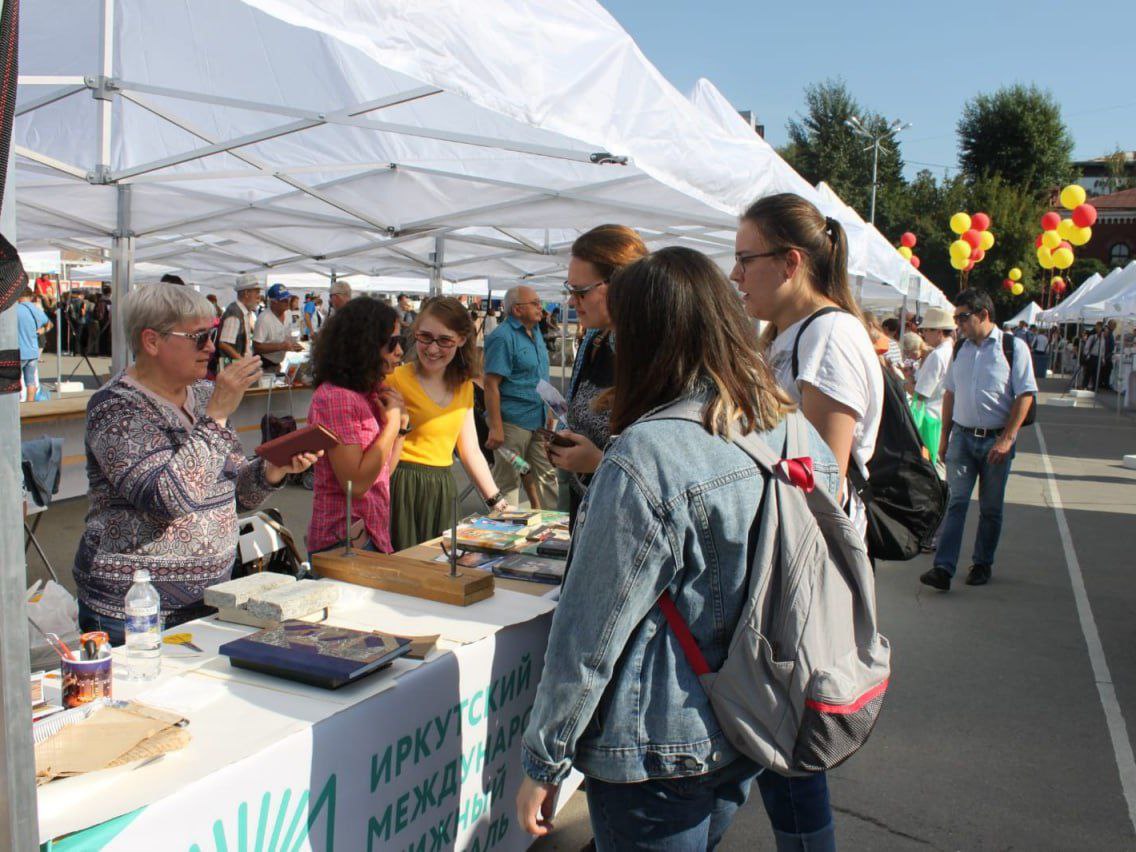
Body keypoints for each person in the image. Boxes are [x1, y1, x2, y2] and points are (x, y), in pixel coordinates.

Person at [517, 247, 841, 851]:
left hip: (660, 741)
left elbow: (589, 632)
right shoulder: (788, 426)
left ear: (643, 336)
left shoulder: (647, 455)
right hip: (748, 713)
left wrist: (544, 760)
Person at [74, 285, 318, 642]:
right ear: (152, 341)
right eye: (199, 336)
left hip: (211, 599)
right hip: (134, 612)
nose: (211, 346)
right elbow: (166, 500)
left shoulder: (204, 395)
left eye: (213, 333)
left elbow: (234, 497)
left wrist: (272, 470)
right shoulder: (115, 407)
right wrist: (216, 416)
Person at [919, 289, 1037, 592]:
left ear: (983, 314)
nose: (958, 324)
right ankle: (943, 568)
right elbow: (950, 394)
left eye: (963, 317)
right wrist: (944, 437)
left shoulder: (1013, 347)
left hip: (995, 440)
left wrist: (1008, 439)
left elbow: (1025, 394)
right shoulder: (961, 349)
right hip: (962, 436)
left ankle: (982, 562)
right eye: (956, 318)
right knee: (955, 502)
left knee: (991, 507)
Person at [545, 224, 648, 528]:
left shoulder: (654, 355)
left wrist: (600, 463)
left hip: (626, 525)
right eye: (569, 290)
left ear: (620, 284)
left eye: (579, 291)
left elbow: (668, 470)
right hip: (588, 511)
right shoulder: (594, 340)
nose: (571, 301)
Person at [386, 297, 508, 549]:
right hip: (401, 488)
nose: (432, 349)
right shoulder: (394, 380)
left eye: (444, 340)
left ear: (462, 339)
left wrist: (498, 503)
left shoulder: (463, 387)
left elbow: (470, 450)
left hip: (441, 488)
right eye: (425, 337)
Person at [306, 298, 407, 555]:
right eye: (393, 342)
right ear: (366, 345)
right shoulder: (338, 397)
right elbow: (356, 484)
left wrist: (401, 431)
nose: (400, 352)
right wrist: (392, 426)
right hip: (344, 542)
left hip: (371, 533)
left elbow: (381, 474)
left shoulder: (369, 392)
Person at [483, 285, 558, 508]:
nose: (541, 308)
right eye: (535, 303)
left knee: (547, 478)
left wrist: (550, 409)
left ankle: (553, 535)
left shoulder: (535, 332)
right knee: (509, 484)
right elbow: (490, 384)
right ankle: (507, 536)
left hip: (538, 420)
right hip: (511, 423)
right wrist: (496, 427)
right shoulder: (502, 337)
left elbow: (540, 376)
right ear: (517, 309)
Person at [912, 307, 956, 422]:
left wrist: (901, 382)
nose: (923, 334)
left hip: (928, 417)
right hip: (942, 415)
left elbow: (921, 393)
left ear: (939, 332)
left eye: (926, 330)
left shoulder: (937, 355)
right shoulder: (952, 350)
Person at [254, 283, 303, 374]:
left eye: (288, 298)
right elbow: (257, 347)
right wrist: (281, 346)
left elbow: (286, 336)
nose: (288, 301)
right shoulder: (264, 319)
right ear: (273, 302)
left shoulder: (288, 313)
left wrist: (293, 344)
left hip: (276, 364)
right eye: (283, 300)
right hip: (263, 367)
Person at [217, 274, 262, 366]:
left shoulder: (242, 312)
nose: (259, 296)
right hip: (232, 367)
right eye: (256, 292)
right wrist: (242, 361)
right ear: (246, 293)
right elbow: (224, 344)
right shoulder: (235, 312)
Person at [17, 288, 52, 402]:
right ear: (30, 296)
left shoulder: (14, 309)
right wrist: (41, 331)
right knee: (30, 382)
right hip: (33, 351)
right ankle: (30, 406)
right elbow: (49, 324)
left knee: (12, 381)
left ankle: (15, 406)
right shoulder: (34, 309)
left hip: (18, 352)